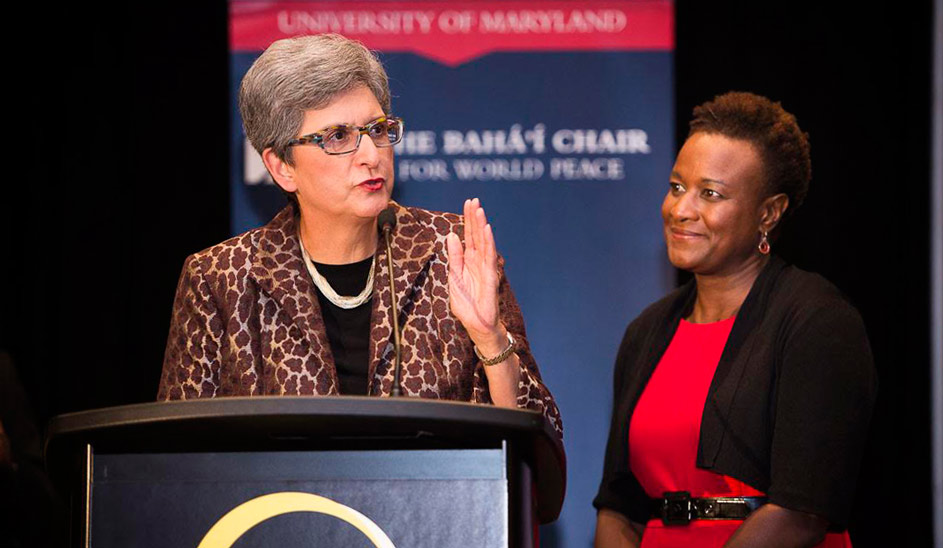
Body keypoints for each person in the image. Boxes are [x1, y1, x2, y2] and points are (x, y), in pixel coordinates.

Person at [156, 34, 561, 437]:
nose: (372, 154)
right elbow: (174, 457)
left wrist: (490, 340)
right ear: (282, 166)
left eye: (378, 129)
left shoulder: (450, 252)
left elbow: (540, 442)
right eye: (338, 137)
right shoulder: (221, 279)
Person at [593, 92, 876, 547]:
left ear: (768, 212)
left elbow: (801, 513)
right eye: (677, 186)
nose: (681, 209)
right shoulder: (646, 332)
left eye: (711, 193)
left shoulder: (817, 322)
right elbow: (617, 505)